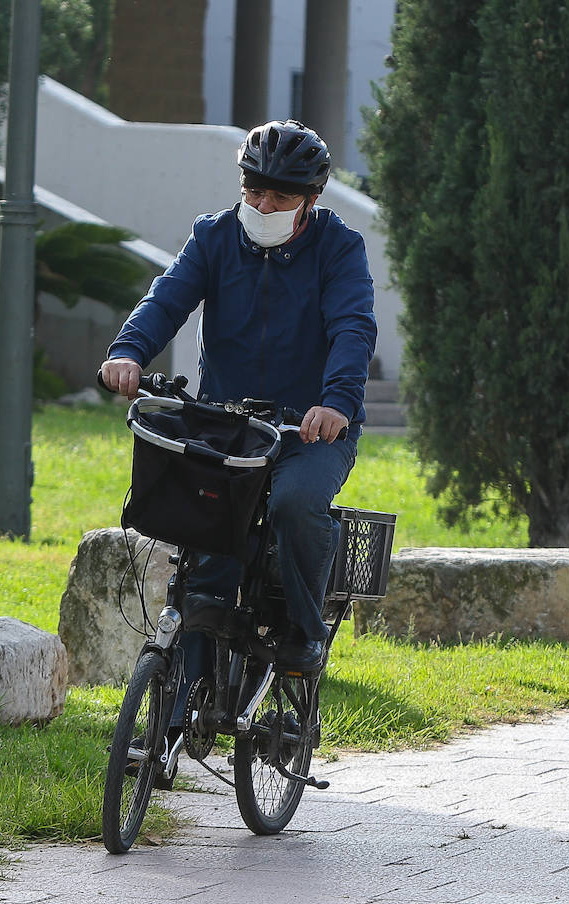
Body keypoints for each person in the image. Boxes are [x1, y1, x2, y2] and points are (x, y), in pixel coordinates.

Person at [99, 119, 376, 676]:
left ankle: (305, 634)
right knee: (205, 558)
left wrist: (338, 402)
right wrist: (128, 352)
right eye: (253, 188)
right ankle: (178, 716)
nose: (263, 203)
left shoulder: (339, 247)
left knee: (296, 505)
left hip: (310, 430)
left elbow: (353, 327)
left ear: (311, 200)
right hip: (225, 424)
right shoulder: (214, 237)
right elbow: (166, 299)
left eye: (280, 194)